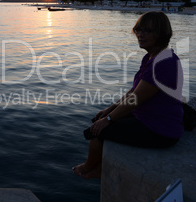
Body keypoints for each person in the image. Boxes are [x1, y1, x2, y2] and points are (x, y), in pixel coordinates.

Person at [73, 11, 184, 180]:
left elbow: (135, 100)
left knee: (96, 131)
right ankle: (99, 166)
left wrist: (108, 119)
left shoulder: (164, 62)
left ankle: (91, 168)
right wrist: (110, 109)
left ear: (161, 33)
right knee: (98, 121)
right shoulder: (151, 57)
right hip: (148, 118)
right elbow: (134, 91)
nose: (140, 34)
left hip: (160, 130)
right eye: (138, 30)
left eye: (147, 31)